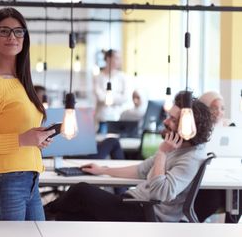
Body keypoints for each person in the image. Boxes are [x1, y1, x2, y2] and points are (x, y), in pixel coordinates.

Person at [44, 91, 213, 222]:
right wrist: (103, 169)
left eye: (173, 120)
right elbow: (140, 170)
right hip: (133, 203)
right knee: (70, 217)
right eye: (169, 116)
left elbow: (161, 193)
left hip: (146, 213)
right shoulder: (177, 147)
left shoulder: (191, 158)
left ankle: (39, 214)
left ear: (190, 124)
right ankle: (40, 218)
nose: (166, 121)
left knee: (81, 191)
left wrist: (162, 152)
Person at [0, 7, 55, 221]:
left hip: (30, 182)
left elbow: (18, 130)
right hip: (3, 183)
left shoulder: (21, 82)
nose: (12, 37)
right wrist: (22, 139)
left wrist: (36, 140)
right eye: (4, 31)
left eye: (18, 32)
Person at [194, 91, 240, 223]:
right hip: (205, 180)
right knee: (212, 200)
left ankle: (231, 230)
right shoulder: (195, 129)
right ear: (204, 108)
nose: (219, 112)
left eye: (222, 108)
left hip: (227, 176)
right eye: (214, 108)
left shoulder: (231, 128)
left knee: (239, 195)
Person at [93, 49, 131, 126]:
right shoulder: (98, 77)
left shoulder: (122, 77)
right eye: (116, 58)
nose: (118, 61)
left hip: (118, 118)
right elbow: (100, 97)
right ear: (108, 59)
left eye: (119, 58)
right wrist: (116, 96)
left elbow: (125, 97)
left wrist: (108, 98)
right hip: (102, 119)